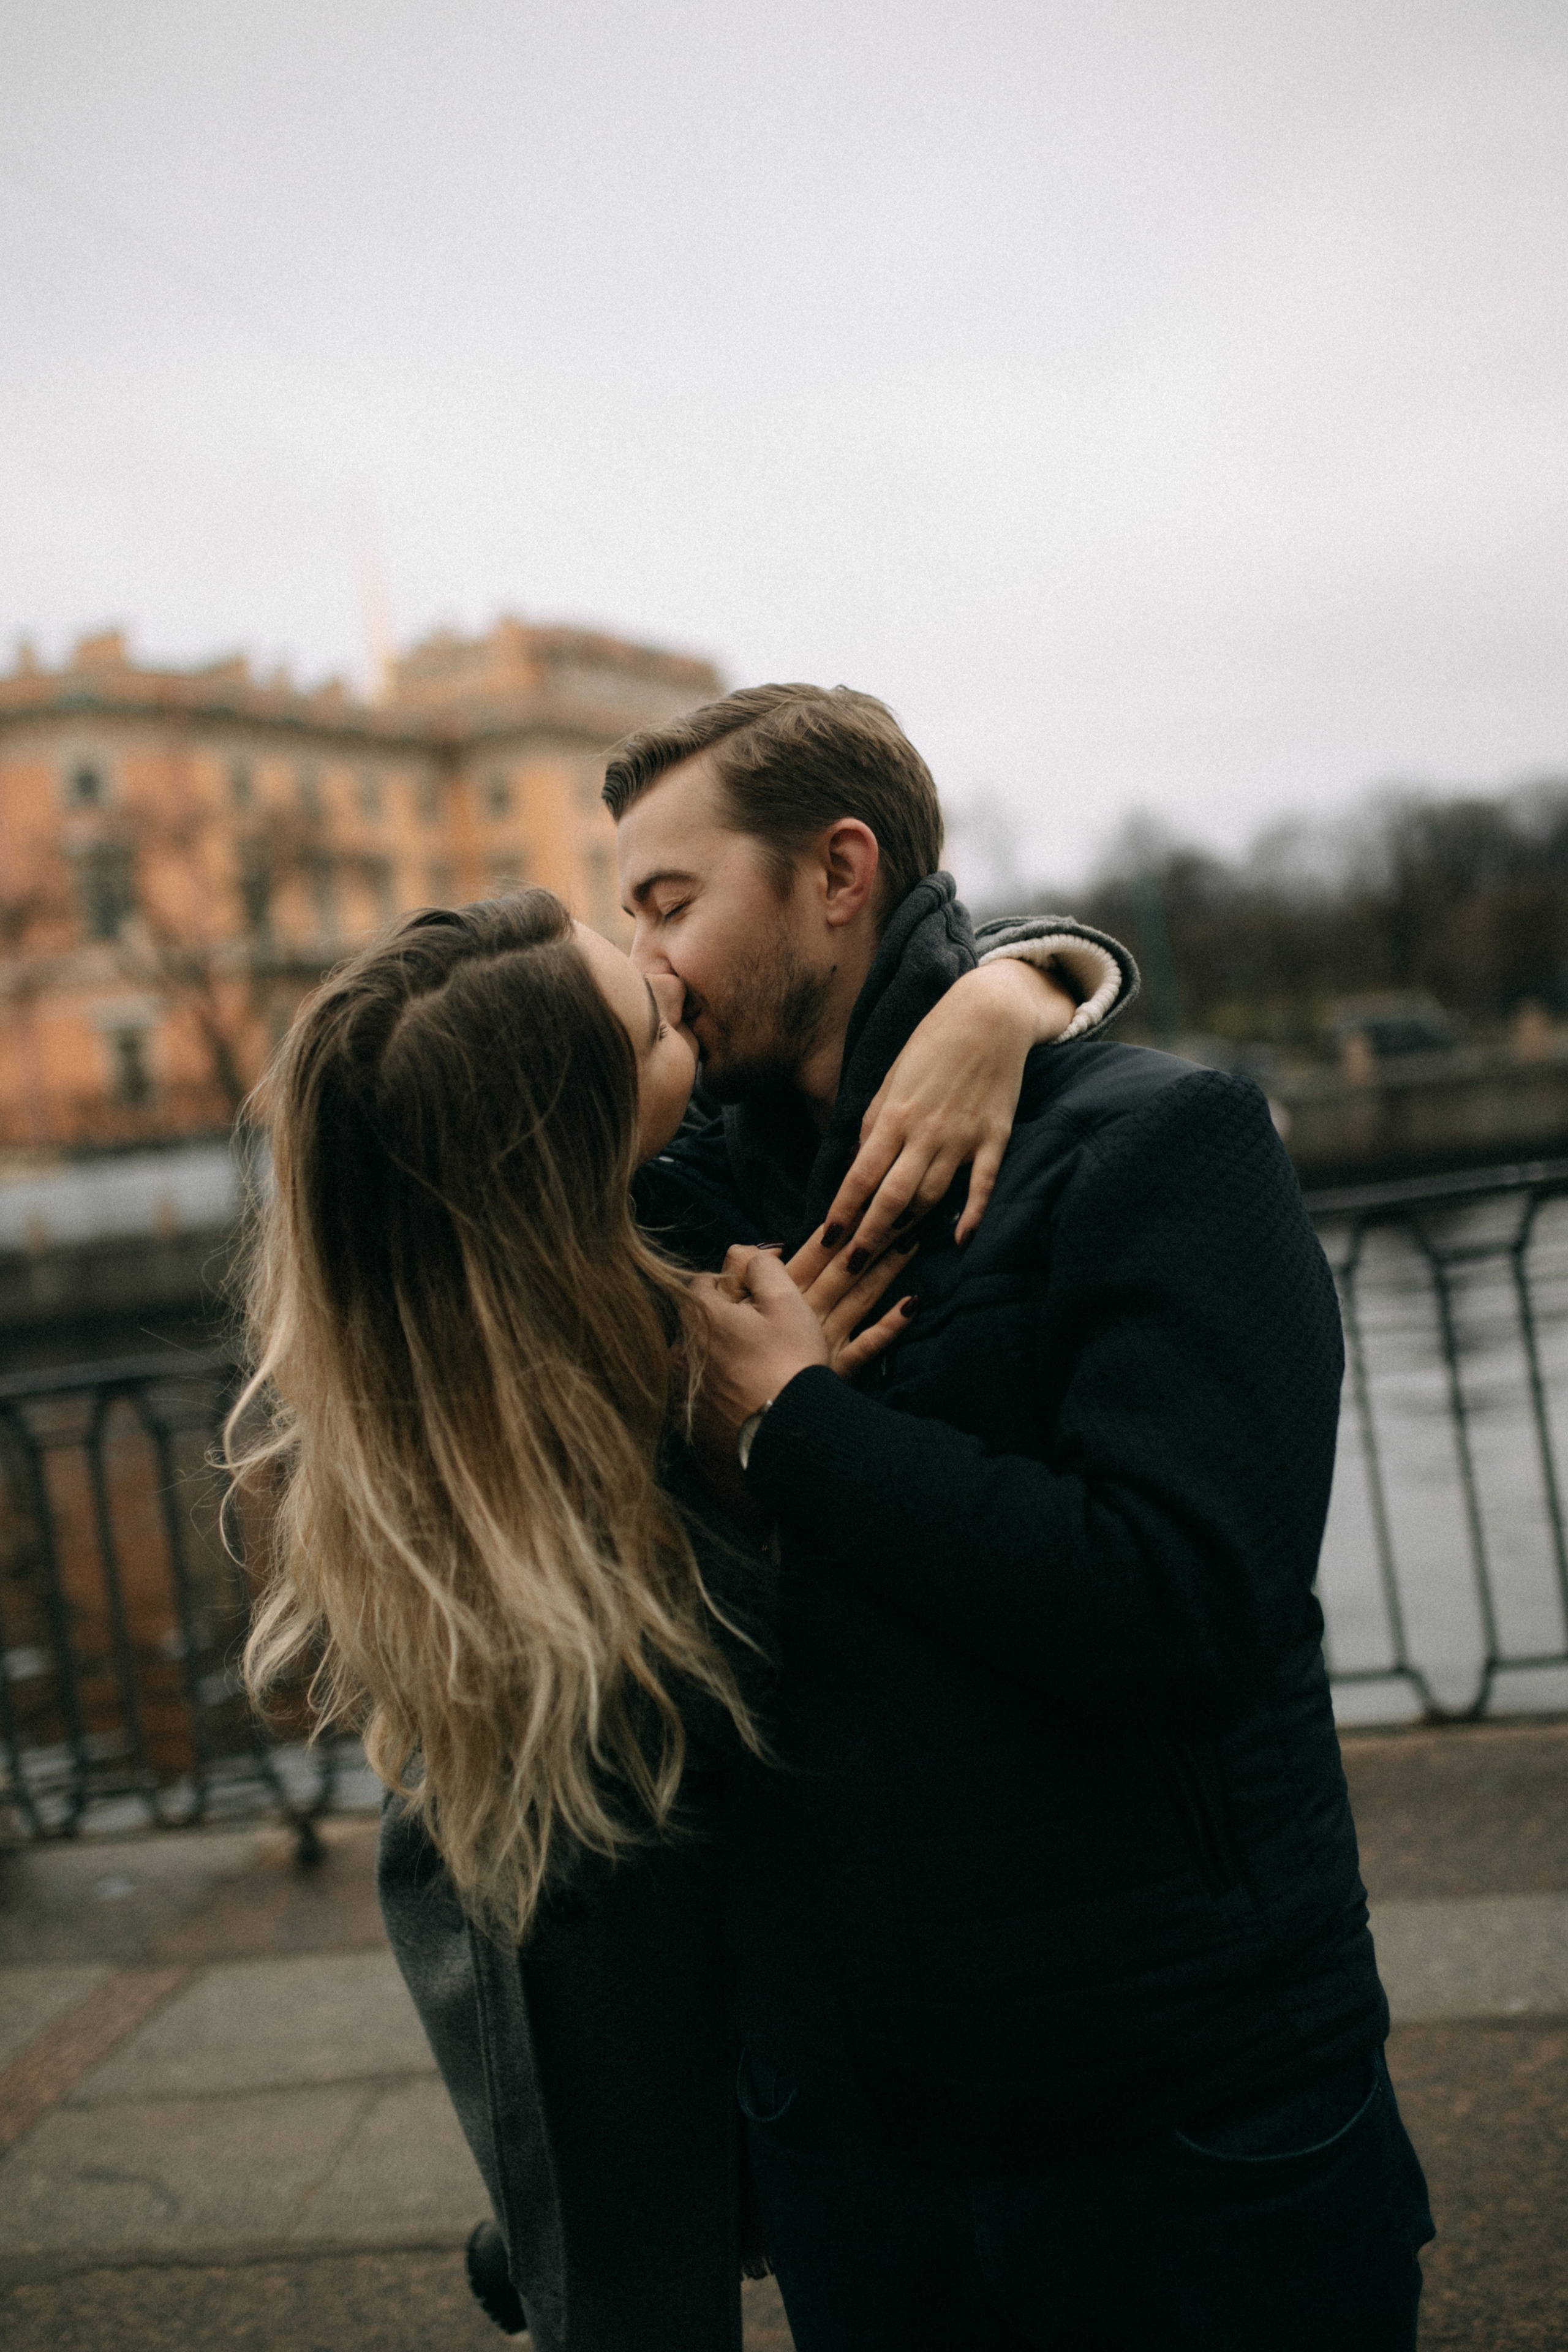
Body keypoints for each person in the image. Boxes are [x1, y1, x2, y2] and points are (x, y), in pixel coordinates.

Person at [606, 682, 1437, 2352]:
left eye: (671, 902)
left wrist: (795, 1433)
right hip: (859, 2152)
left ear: (839, 873)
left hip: (1185, 2127)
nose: (647, 961)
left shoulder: (1162, 1146)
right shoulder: (678, 1203)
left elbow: (1184, 1609)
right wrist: (1032, 966)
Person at [227, 881, 1134, 2351]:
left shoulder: (472, 1282)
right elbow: (645, 1690)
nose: (673, 982)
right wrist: (762, 1450)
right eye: (646, 1012)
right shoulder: (458, 1454)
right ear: (572, 1138)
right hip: (572, 1982)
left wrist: (1014, 990)